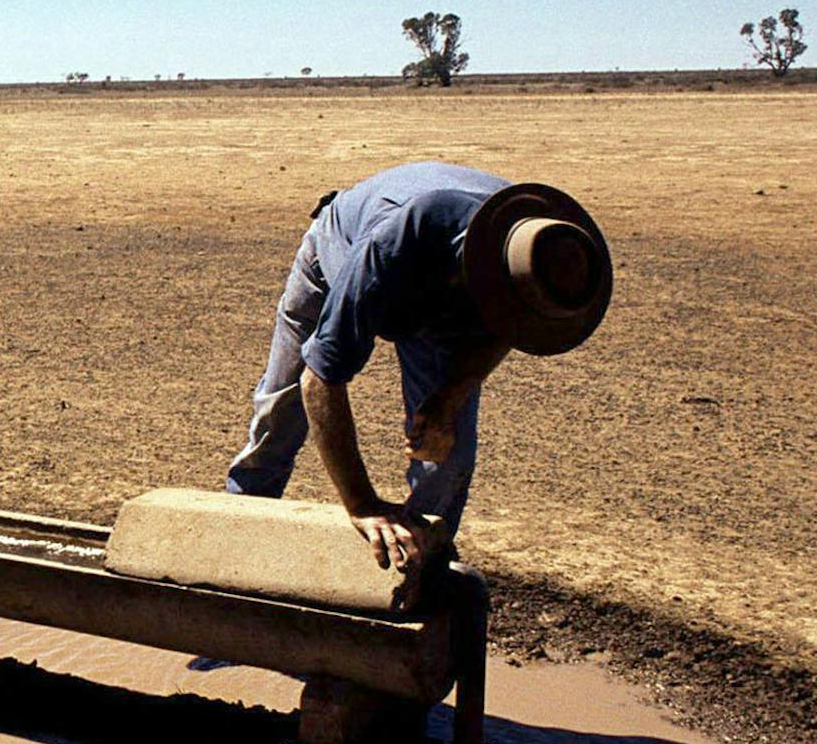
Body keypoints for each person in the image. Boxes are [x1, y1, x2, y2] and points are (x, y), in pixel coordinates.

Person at [224, 161, 612, 576]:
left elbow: (508, 327)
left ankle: (417, 564)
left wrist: (449, 398)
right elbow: (319, 380)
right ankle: (233, 537)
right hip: (337, 256)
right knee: (281, 411)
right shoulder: (392, 248)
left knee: (448, 449)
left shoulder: (543, 249)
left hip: (440, 300)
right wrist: (363, 505)